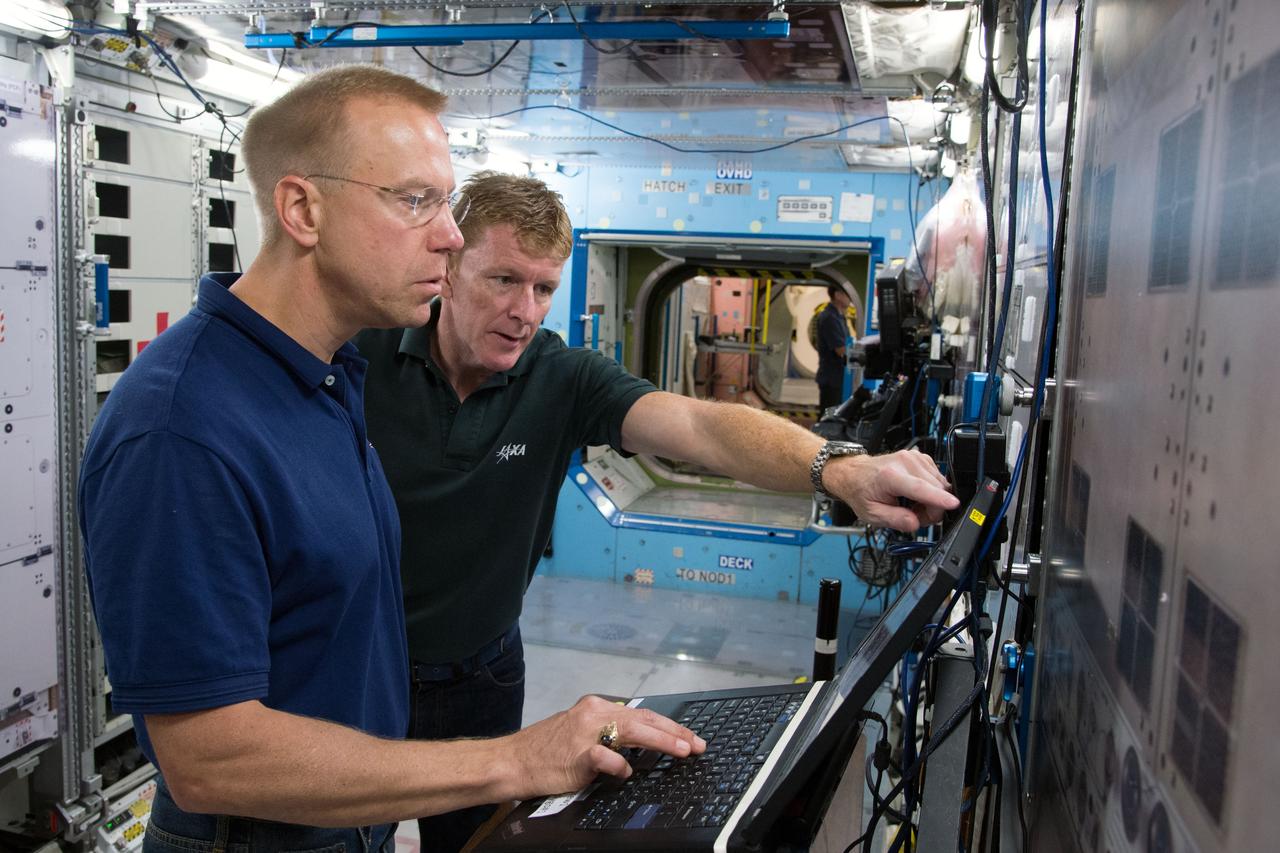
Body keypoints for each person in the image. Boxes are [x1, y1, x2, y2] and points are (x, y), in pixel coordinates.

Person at [77, 65, 702, 853]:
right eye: (414, 201)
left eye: (445, 202)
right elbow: (208, 758)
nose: (447, 235)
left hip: (345, 822)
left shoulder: (324, 378)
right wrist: (513, 757)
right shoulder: (183, 429)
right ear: (303, 208)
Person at [355, 172, 960, 850]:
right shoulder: (360, 356)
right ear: (449, 264)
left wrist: (840, 467)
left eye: (545, 288)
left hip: (483, 673)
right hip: (356, 665)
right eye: (503, 280)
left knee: (475, 843)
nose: (526, 309)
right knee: (348, 833)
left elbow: (702, 428)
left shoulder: (563, 378)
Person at [815, 284, 854, 411]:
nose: (850, 298)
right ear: (837, 295)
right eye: (847, 294)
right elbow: (840, 350)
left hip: (838, 377)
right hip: (831, 379)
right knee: (829, 417)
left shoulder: (839, 317)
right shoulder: (829, 318)